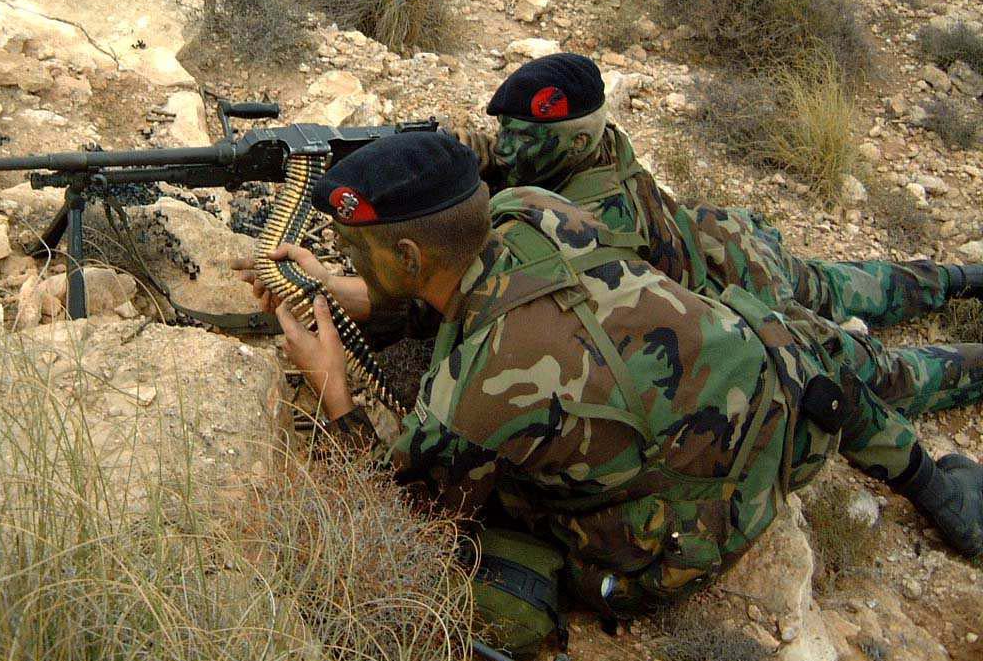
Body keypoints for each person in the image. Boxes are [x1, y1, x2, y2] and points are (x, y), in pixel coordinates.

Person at [235, 132, 983, 627]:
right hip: (781, 375)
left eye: (353, 252)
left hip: (706, 513)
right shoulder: (531, 212)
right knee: (890, 369)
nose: (342, 260)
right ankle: (955, 328)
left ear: (407, 257)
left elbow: (406, 520)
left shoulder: (478, 395)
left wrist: (335, 388)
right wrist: (362, 293)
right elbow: (473, 285)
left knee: (505, 536)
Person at [450, 52, 982, 331]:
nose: (505, 148)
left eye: (519, 137)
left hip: (742, 282)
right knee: (836, 282)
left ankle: (956, 285)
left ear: (577, 142)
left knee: (850, 336)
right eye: (502, 133)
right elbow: (514, 156)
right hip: (714, 235)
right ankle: (955, 279)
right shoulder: (591, 145)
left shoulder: (595, 215)